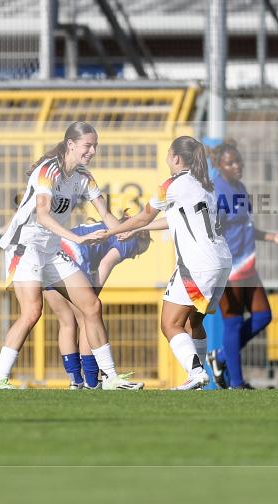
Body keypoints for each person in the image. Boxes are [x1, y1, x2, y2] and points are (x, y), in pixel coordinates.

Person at [0, 121, 144, 390]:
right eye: (88, 145)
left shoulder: (84, 177)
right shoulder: (47, 171)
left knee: (92, 306)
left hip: (51, 250)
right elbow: (43, 216)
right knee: (31, 312)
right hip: (25, 247)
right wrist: (77, 238)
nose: (92, 150)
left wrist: (124, 231)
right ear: (71, 144)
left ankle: (111, 378)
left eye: (95, 145)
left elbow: (107, 216)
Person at [100, 136, 232, 390]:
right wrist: (138, 229)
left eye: (168, 153)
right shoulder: (207, 184)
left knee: (169, 323)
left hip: (197, 265)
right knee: (194, 322)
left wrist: (111, 231)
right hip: (221, 262)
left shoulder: (171, 184)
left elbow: (142, 216)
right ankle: (199, 376)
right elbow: (175, 219)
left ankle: (196, 373)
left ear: (175, 158)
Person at [204, 140, 278, 389]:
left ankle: (219, 357)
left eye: (238, 161)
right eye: (230, 163)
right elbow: (211, 231)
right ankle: (237, 384)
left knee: (263, 316)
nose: (237, 166)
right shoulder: (217, 192)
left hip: (248, 264)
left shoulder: (240, 187)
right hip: (229, 267)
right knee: (233, 322)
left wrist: (272, 237)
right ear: (219, 166)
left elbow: (244, 227)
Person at [46, 218, 153, 389]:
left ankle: (76, 381)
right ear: (142, 237)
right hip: (70, 254)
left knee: (66, 322)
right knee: (88, 316)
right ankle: (91, 381)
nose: (133, 256)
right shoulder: (131, 239)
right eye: (138, 253)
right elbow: (106, 263)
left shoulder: (104, 227)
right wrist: (92, 297)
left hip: (50, 252)